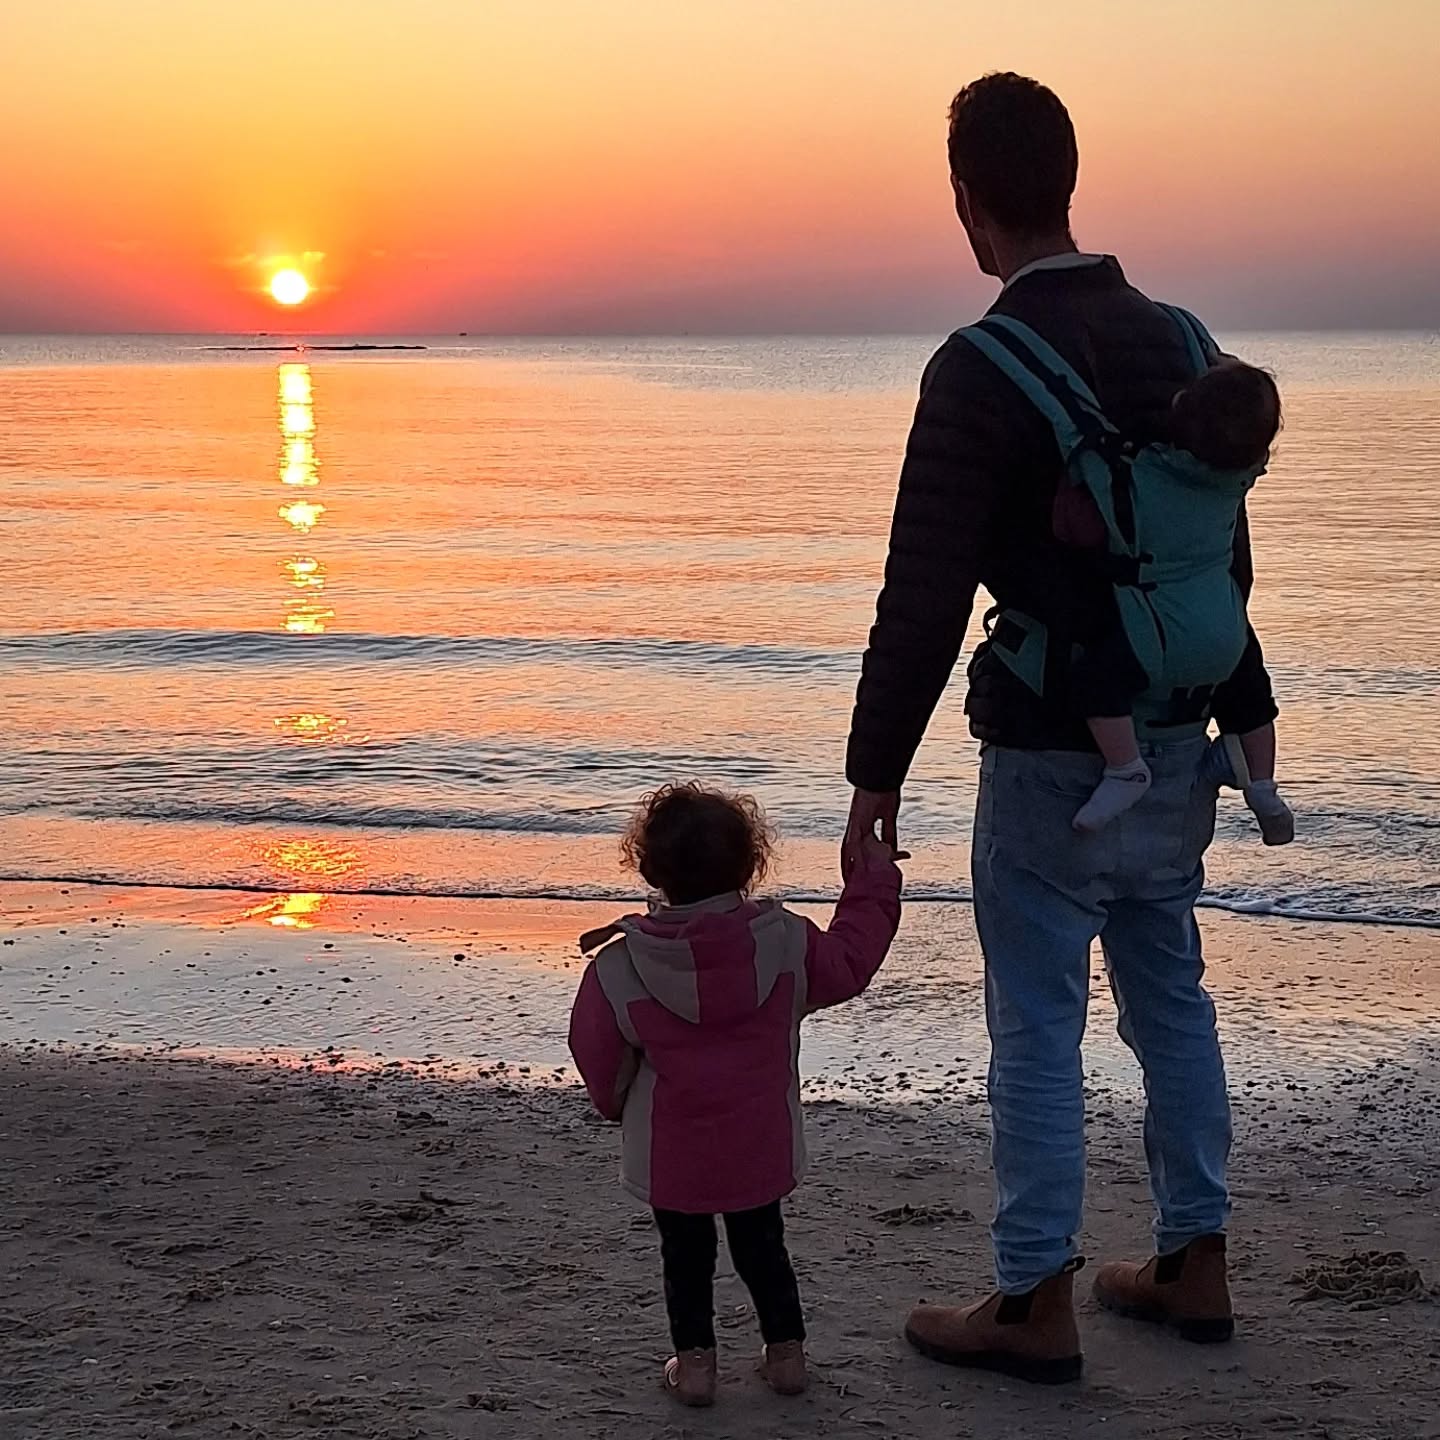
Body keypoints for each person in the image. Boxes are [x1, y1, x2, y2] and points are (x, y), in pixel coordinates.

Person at [843, 72, 1282, 1383]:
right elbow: (1226, 566)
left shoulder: (977, 368)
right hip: (1177, 744)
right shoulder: (1191, 341)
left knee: (1037, 1021)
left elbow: (922, 594)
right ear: (1071, 180)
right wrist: (1199, 723)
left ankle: (1036, 1296)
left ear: (969, 201)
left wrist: (876, 777)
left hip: (1048, 756)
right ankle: (1194, 1260)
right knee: (1172, 994)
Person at [568, 783, 902, 1408]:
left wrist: (615, 1105)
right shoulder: (786, 943)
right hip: (758, 1142)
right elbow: (852, 959)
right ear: (753, 864)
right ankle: (787, 1359)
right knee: (763, 1250)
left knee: (685, 1258)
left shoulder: (616, 967)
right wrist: (873, 878)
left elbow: (597, 1054)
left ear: (648, 869)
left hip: (672, 1150)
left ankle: (695, 1369)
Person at [1071, 358, 1295, 846]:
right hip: (1226, 628)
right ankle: (1262, 785)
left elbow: (1090, 461)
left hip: (1156, 633)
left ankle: (1125, 766)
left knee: (1095, 681)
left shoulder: (1148, 478)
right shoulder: (1240, 477)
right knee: (1253, 700)